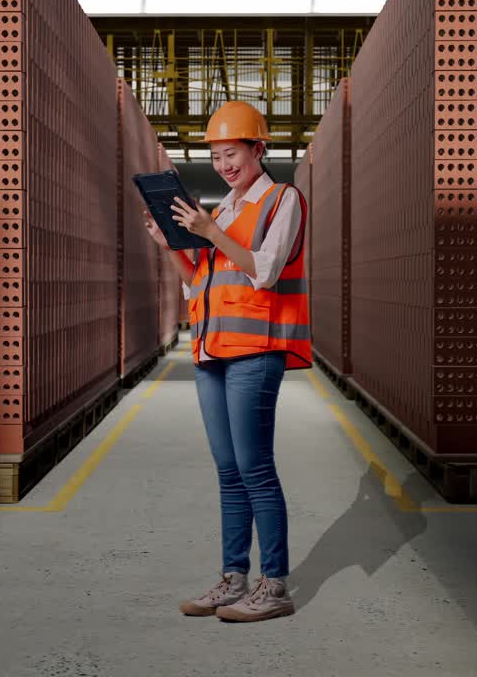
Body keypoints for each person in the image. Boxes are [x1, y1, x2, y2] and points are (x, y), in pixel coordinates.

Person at [141, 101, 312, 623]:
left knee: (256, 468)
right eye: (216, 156)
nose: (223, 164)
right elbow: (200, 284)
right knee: (228, 471)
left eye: (231, 152)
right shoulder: (225, 210)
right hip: (212, 352)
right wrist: (171, 243)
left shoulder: (283, 200)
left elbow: (263, 271)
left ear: (259, 148)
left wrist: (209, 233)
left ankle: (274, 584)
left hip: (256, 352)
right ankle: (234, 579)